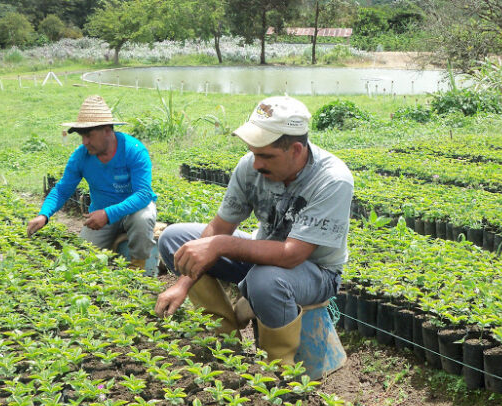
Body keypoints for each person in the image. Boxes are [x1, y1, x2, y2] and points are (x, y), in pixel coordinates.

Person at [155, 96, 353, 365]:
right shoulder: (250, 166)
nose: (256, 163)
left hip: (315, 272)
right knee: (175, 239)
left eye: (265, 155)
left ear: (295, 150)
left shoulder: (331, 180)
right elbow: (220, 227)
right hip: (263, 259)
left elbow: (292, 255)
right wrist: (183, 282)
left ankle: (281, 368)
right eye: (254, 152)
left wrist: (221, 245)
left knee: (266, 280)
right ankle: (225, 342)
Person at [27, 95, 157, 269]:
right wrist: (44, 215)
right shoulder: (81, 156)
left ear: (107, 130)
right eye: (82, 136)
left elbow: (143, 194)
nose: (85, 142)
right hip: (101, 216)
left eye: (89, 135)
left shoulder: (133, 150)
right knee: (84, 259)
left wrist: (108, 214)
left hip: (133, 210)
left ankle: (140, 268)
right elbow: (62, 190)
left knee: (143, 218)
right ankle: (117, 242)